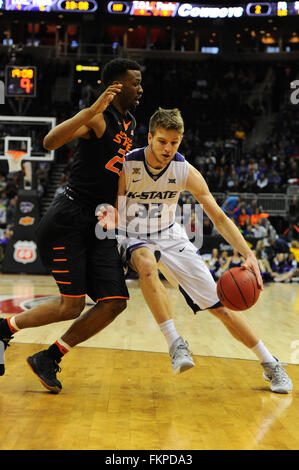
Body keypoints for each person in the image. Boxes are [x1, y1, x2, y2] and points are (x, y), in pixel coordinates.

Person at [98, 107, 292, 394]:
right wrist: (110, 218)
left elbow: (219, 217)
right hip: (131, 233)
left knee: (221, 306)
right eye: (162, 141)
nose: (168, 148)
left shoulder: (184, 170)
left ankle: (270, 362)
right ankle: (175, 342)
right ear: (150, 137)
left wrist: (247, 253)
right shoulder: (128, 166)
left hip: (168, 233)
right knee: (147, 264)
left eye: (174, 142)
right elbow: (110, 207)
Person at [0, 58, 145, 388]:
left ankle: (49, 356)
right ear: (117, 86)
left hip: (101, 223)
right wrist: (90, 110)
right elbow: (49, 142)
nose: (141, 88)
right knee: (71, 306)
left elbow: (120, 170)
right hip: (69, 218)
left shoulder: (131, 122)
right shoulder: (97, 119)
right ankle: (6, 327)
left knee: (114, 302)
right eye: (135, 83)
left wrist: (123, 216)